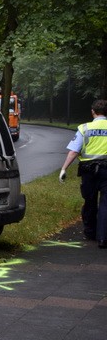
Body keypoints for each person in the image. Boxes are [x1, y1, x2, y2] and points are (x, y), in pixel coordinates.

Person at [59, 99, 107, 248]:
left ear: (93, 112)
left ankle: (90, 232)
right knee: (105, 203)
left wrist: (64, 169)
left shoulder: (84, 128)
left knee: (90, 201)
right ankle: (103, 238)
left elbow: (74, 151)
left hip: (88, 171)